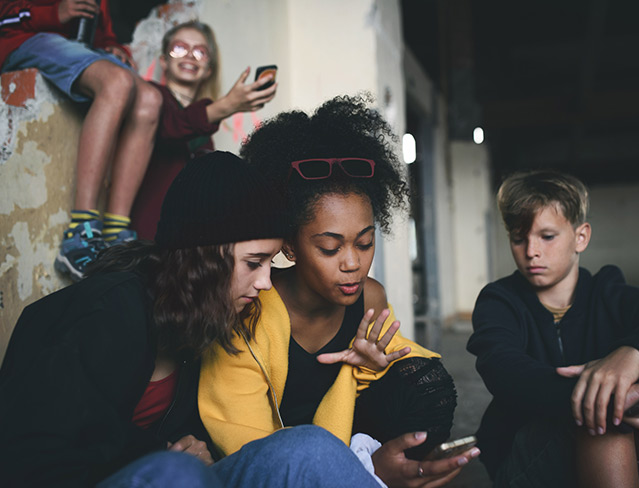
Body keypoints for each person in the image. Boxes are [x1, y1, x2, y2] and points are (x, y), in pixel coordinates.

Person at [0, 151, 384, 488]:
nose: (266, 282)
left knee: (308, 448)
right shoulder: (107, 312)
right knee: (176, 475)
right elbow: (31, 451)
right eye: (254, 263)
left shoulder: (207, 322)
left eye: (270, 263)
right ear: (205, 258)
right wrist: (163, 455)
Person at [199, 95, 479, 488]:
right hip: (282, 460)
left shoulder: (371, 299)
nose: (352, 263)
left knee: (423, 381)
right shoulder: (250, 309)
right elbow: (254, 452)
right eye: (330, 248)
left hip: (352, 439)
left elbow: (410, 383)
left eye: (364, 243)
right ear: (290, 247)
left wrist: (365, 373)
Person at [467, 170, 639, 487]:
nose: (531, 251)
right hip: (524, 456)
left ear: (581, 237)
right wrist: (609, 397)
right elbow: (503, 369)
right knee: (602, 422)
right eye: (518, 238)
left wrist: (631, 355)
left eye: (547, 237)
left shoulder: (611, 293)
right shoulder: (499, 301)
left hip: (607, 444)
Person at [0, 0, 163, 280]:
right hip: (27, 39)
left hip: (81, 51)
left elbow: (102, 31)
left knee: (150, 99)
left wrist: (114, 47)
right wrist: (54, 13)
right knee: (117, 83)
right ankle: (81, 232)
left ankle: (115, 233)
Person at [130, 20, 277, 241]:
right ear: (164, 61)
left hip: (185, 235)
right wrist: (226, 106)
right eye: (179, 48)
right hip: (145, 231)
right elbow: (170, 127)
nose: (189, 56)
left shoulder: (203, 120)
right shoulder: (149, 97)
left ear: (209, 69)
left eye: (200, 52)